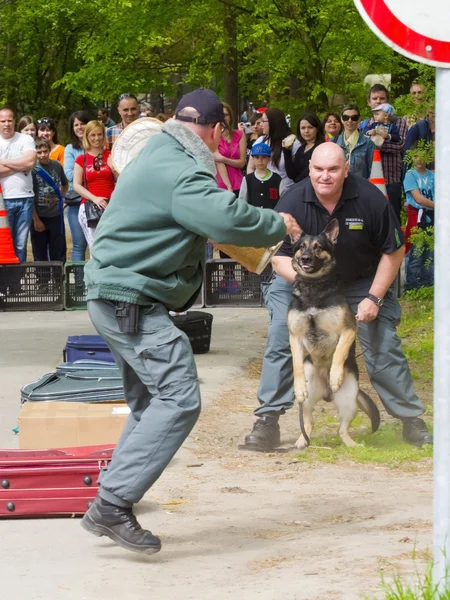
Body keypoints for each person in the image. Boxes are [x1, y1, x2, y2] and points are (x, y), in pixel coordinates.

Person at [80, 87, 301, 555]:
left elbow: (206, 226)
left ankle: (116, 496)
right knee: (179, 396)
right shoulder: (182, 170)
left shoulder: (160, 151)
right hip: (130, 297)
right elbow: (222, 216)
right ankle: (112, 503)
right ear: (217, 131)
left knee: (147, 403)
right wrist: (278, 223)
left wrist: (265, 256)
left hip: (117, 292)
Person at [242, 143, 432, 453]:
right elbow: (276, 257)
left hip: (361, 281)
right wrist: (310, 281)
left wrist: (374, 297)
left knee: (380, 341)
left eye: (333, 169)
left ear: (346, 169)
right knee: (281, 334)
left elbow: (394, 250)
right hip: (302, 279)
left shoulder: (370, 199)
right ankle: (268, 420)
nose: (325, 176)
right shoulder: (292, 201)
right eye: (318, 169)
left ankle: (410, 419)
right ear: (310, 170)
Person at [360, 84, 408, 222]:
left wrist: (375, 145)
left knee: (392, 220)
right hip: (369, 180)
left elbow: (400, 145)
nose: (378, 101)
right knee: (370, 220)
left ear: (388, 100)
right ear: (369, 102)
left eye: (382, 98)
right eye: (375, 98)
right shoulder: (363, 125)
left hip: (391, 180)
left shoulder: (398, 123)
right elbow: (361, 149)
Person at [0, 107, 36, 264]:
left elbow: (30, 162)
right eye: (3, 121)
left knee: (21, 246)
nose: (6, 124)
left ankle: (16, 286)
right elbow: (25, 164)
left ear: (14, 121)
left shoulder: (25, 139)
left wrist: (4, 162)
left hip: (25, 198)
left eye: (9, 120)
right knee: (5, 245)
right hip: (3, 201)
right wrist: (20, 165)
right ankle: (4, 284)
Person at [73, 120, 115, 248]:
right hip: (90, 207)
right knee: (96, 247)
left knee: (112, 245)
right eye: (93, 135)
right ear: (87, 137)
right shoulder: (82, 159)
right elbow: (76, 185)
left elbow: (121, 180)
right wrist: (94, 198)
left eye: (99, 134)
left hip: (111, 205)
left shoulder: (112, 155)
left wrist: (113, 168)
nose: (97, 138)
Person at [31, 137, 68, 278]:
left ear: (49, 151)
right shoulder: (33, 169)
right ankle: (43, 283)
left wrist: (61, 198)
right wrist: (36, 219)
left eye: (45, 151)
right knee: (40, 252)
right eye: (39, 152)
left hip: (56, 215)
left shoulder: (57, 165)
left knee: (58, 250)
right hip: (39, 216)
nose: (42, 155)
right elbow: (30, 196)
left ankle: (59, 280)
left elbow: (65, 183)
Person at [247, 107, 300, 190]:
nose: (261, 124)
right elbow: (250, 167)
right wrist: (255, 184)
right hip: (263, 190)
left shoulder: (293, 142)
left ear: (274, 123)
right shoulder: (260, 141)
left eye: (263, 121)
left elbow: (297, 172)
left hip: (286, 192)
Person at [404, 152, 435, 290]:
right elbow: (418, 198)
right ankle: (412, 283)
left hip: (432, 216)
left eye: (423, 156)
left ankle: (427, 281)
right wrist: (439, 205)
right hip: (418, 216)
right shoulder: (410, 174)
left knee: (430, 250)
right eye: (416, 155)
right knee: (417, 249)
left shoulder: (432, 176)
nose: (419, 159)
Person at [64, 111, 91, 263]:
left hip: (98, 201)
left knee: (98, 245)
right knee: (79, 246)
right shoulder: (70, 149)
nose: (80, 127)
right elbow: (69, 174)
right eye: (76, 125)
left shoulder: (99, 145)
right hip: (76, 203)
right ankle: (79, 285)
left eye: (83, 123)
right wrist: (93, 176)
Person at [333, 105, 375, 179]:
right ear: (341, 119)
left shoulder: (368, 144)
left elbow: (373, 172)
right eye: (346, 117)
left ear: (359, 119)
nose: (350, 120)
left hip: (361, 188)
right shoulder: (333, 142)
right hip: (338, 188)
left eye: (354, 118)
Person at [214, 102, 246, 195]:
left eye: (226, 115)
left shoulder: (240, 135)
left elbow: (242, 163)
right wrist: (229, 186)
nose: (223, 118)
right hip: (220, 185)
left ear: (231, 117)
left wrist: (224, 159)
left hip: (238, 183)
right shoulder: (213, 136)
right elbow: (218, 162)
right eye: (221, 115)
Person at [283, 113, 325, 183]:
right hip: (300, 189)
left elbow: (305, 176)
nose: (306, 131)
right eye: (303, 128)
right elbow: (292, 174)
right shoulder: (301, 149)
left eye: (310, 127)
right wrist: (286, 150)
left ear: (317, 129)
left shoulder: (321, 149)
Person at [239, 142, 282, 208]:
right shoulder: (247, 179)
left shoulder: (277, 179)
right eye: (257, 157)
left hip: (272, 216)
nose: (260, 160)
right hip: (253, 217)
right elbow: (242, 201)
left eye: (264, 157)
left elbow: (283, 200)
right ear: (253, 159)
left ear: (269, 159)